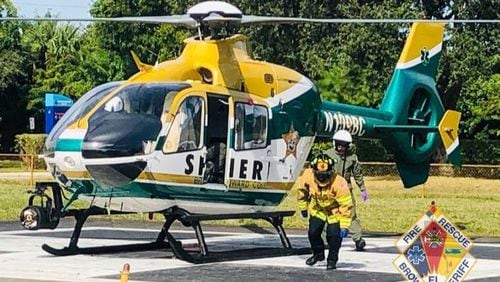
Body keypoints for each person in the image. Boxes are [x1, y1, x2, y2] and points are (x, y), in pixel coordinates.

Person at [297, 153, 352, 270]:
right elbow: (302, 192)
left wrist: (344, 226)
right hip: (318, 209)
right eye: (318, 175)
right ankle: (318, 254)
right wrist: (303, 208)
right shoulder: (307, 176)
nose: (321, 178)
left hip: (334, 212)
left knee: (333, 237)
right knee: (313, 233)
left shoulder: (339, 182)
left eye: (325, 175)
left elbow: (345, 205)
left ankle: (332, 260)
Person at [325, 130, 368, 251]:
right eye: (339, 144)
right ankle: (323, 240)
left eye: (344, 145)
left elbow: (358, 174)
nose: (341, 147)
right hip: (330, 189)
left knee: (351, 214)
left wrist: (363, 189)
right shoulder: (327, 155)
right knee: (327, 213)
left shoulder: (352, 158)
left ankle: (358, 239)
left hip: (346, 191)